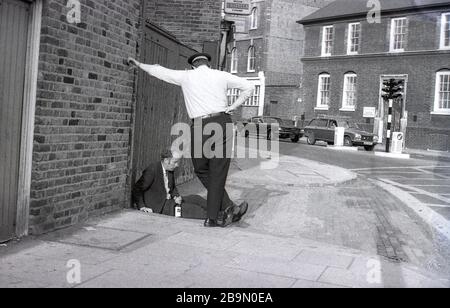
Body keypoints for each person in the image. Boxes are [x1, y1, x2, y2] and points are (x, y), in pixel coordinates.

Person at [128, 53, 251, 227]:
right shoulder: (220, 75)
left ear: (193, 66)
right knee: (218, 171)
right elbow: (248, 87)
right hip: (221, 122)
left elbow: (161, 71)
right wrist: (232, 107)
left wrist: (139, 64)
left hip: (199, 126)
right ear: (208, 63)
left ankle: (218, 214)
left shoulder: (186, 76)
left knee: (201, 169)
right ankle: (219, 213)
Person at [132, 149, 248, 223]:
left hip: (170, 200)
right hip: (160, 205)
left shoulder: (169, 169)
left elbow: (172, 188)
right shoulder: (152, 170)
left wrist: (176, 195)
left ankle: (228, 211)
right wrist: (142, 207)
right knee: (193, 210)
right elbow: (137, 188)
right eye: (175, 162)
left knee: (196, 198)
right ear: (167, 160)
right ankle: (223, 216)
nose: (177, 165)